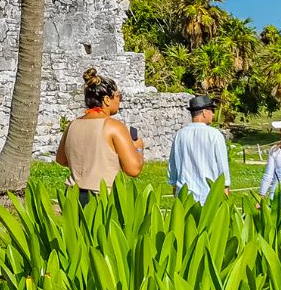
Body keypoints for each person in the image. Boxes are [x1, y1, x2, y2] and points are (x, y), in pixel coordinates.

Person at [55, 69, 145, 207]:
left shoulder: (73, 124)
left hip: (72, 195)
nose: (120, 100)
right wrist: (138, 148)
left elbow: (61, 159)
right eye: (118, 96)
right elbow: (133, 170)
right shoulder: (113, 126)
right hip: (101, 198)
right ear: (107, 100)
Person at [167, 95, 230, 204]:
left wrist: (174, 184)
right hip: (209, 195)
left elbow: (173, 164)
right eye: (212, 110)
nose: (213, 114)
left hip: (185, 194)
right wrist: (225, 186)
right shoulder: (214, 135)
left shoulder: (180, 135)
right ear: (204, 112)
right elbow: (222, 165)